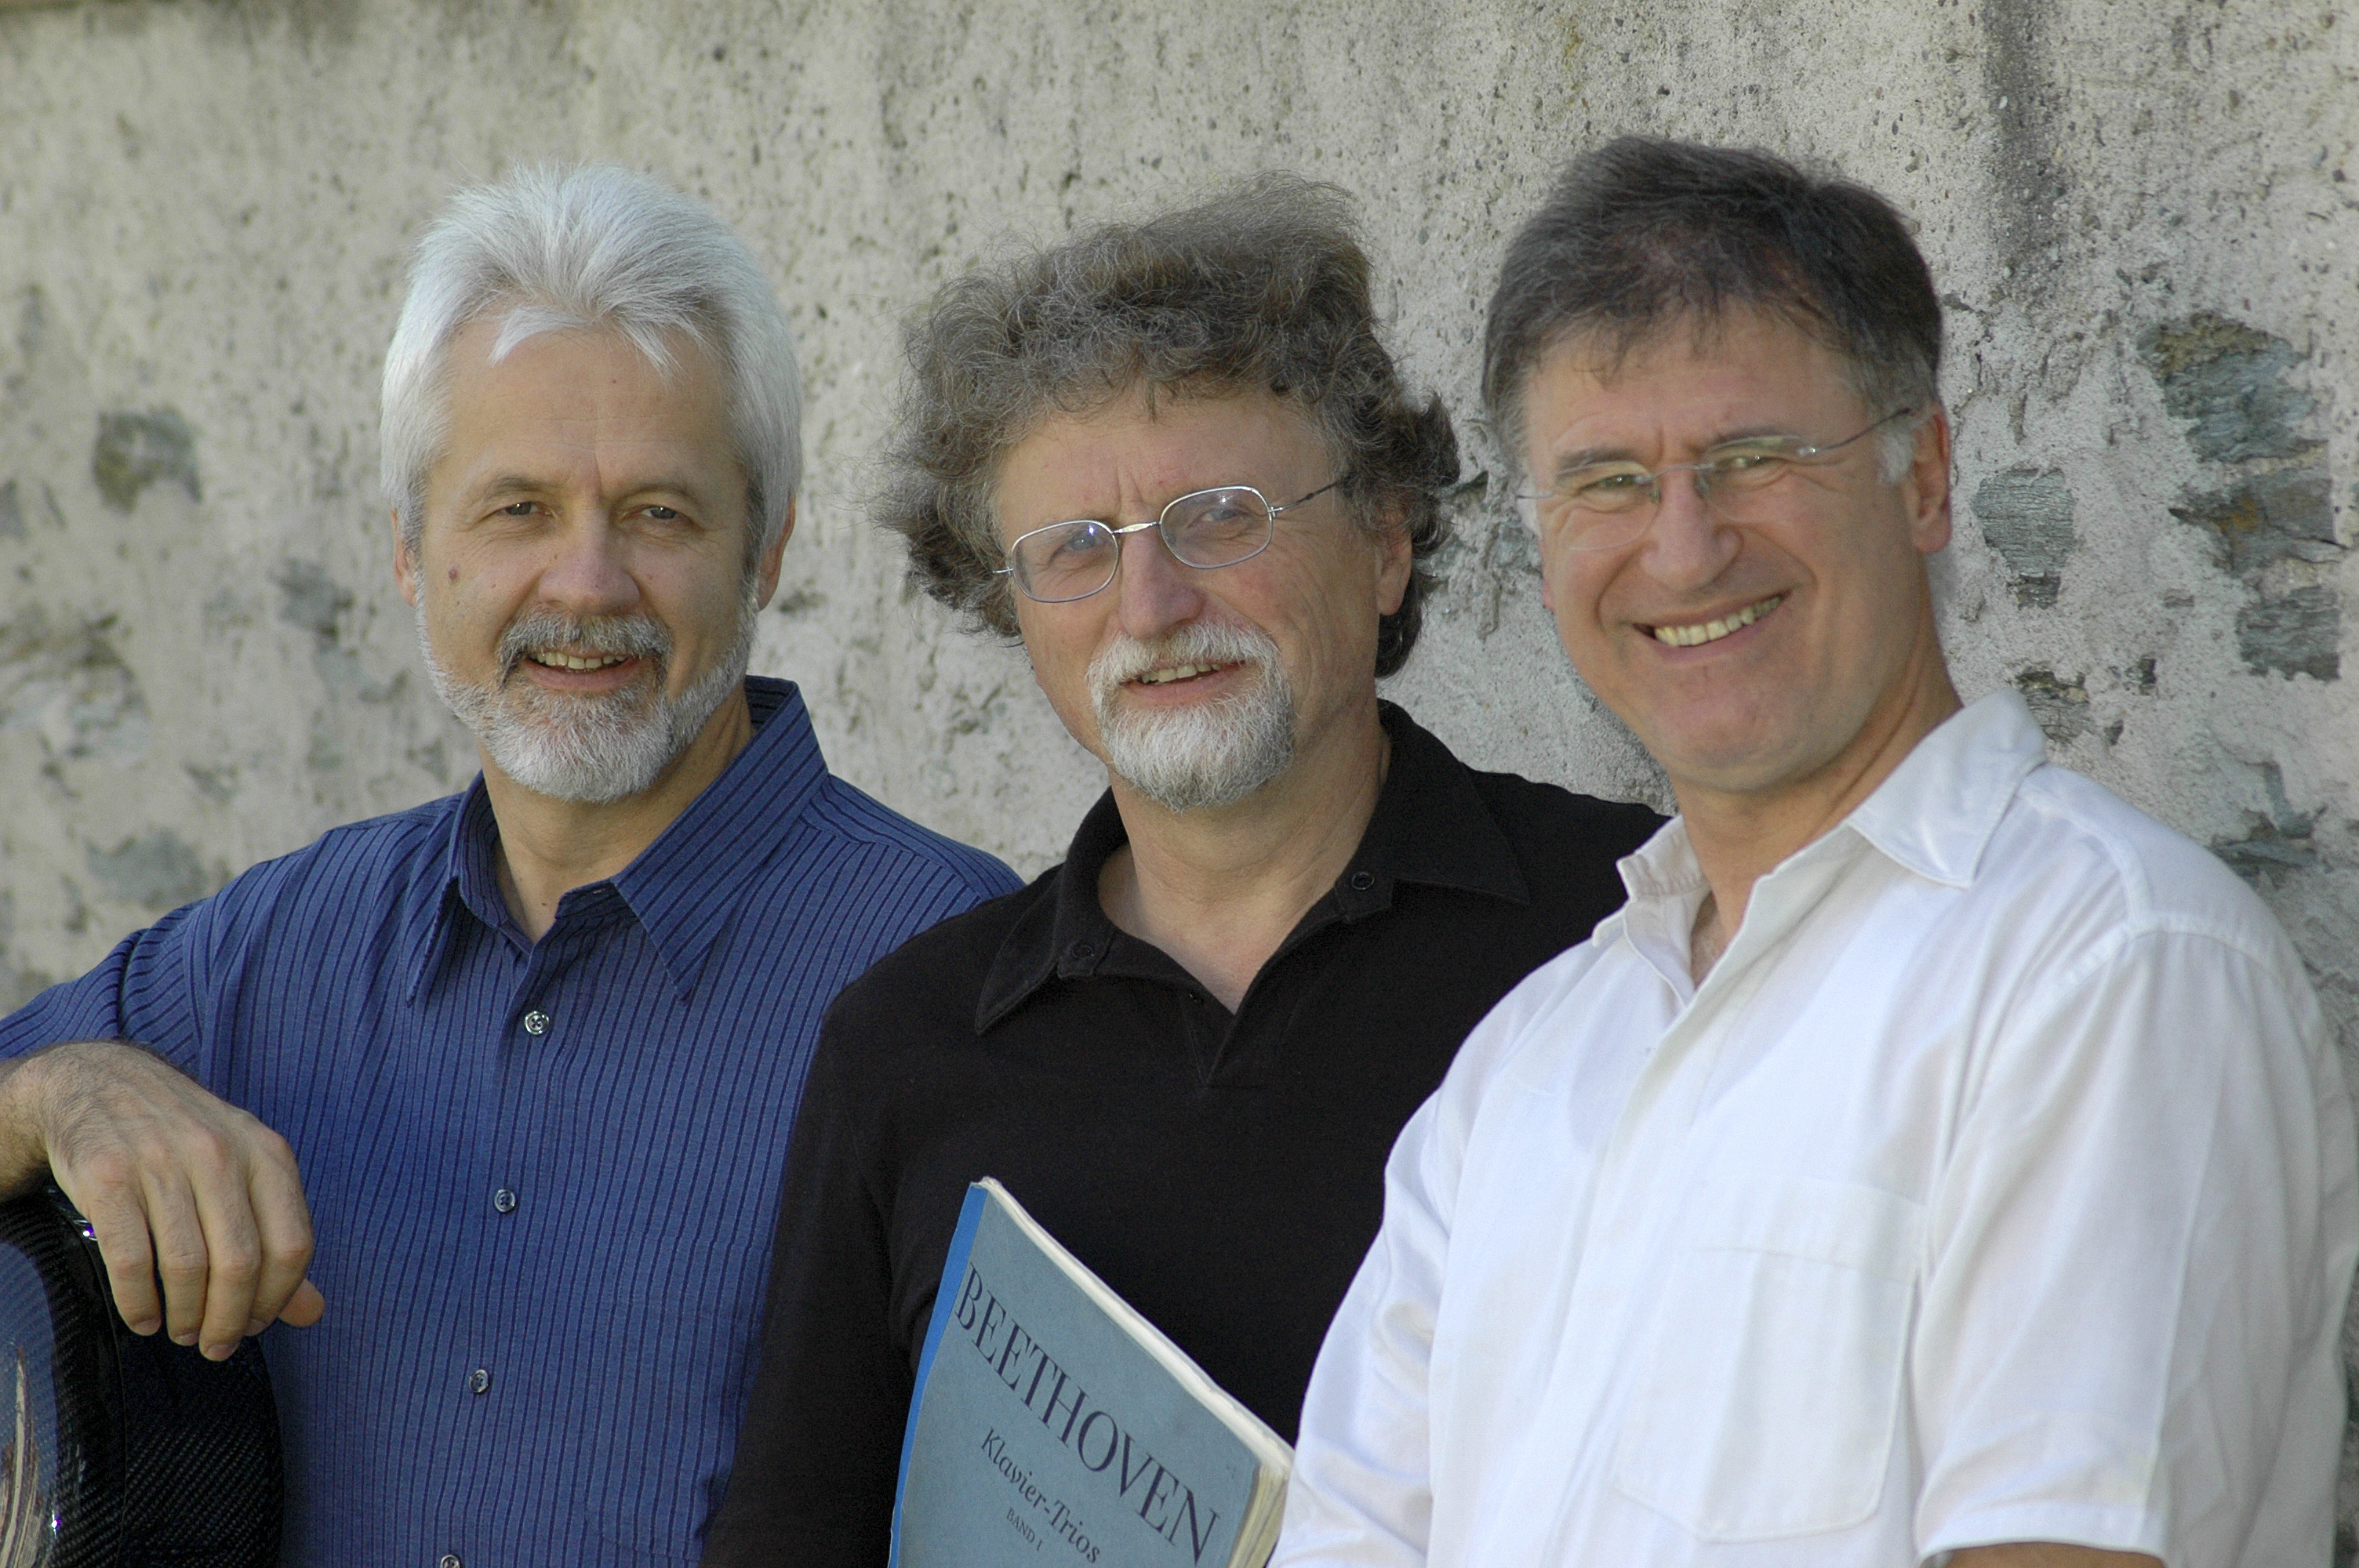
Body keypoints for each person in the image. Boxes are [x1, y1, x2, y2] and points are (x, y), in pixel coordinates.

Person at [1274, 137, 2359, 1568]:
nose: (1683, 550)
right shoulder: (1525, 1068)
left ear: (1925, 478)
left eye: (1752, 459)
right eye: (1607, 482)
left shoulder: (2109, 972)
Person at [0, 164, 1019, 1565]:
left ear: (767, 548)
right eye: (518, 510)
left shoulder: (960, 973)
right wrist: (60, 1092)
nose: (587, 585)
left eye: (659, 513)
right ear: (411, 553)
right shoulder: (274, 954)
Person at [701, 176, 1661, 1563]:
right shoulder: (909, 1047)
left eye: (1219, 517)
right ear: (1009, 607)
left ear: (1386, 542)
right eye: (1075, 551)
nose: (1151, 605)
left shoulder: (1632, 925)